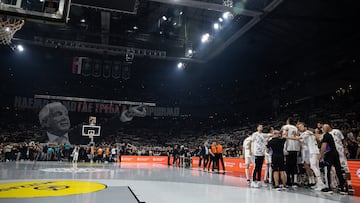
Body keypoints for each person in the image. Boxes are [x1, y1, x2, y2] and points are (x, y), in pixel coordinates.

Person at [297, 122, 326, 190]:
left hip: (313, 152)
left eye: (300, 126)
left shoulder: (307, 132)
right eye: (299, 127)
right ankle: (319, 183)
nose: (299, 128)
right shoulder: (307, 133)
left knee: (313, 166)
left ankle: (320, 184)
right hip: (312, 151)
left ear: (305, 126)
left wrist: (288, 137)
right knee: (316, 167)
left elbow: (297, 138)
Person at [319, 124, 346, 194]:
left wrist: (320, 155)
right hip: (335, 154)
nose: (321, 129)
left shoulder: (326, 136)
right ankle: (343, 188)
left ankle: (328, 187)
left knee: (327, 170)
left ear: (325, 129)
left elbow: (324, 146)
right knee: (338, 170)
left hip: (329, 155)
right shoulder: (330, 136)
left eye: (322, 128)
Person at [281, 118, 300, 187]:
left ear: (287, 121)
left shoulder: (285, 127)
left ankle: (288, 181)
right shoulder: (295, 128)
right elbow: (297, 136)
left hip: (288, 148)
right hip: (296, 148)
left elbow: (284, 137)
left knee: (288, 165)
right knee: (294, 165)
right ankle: (294, 181)